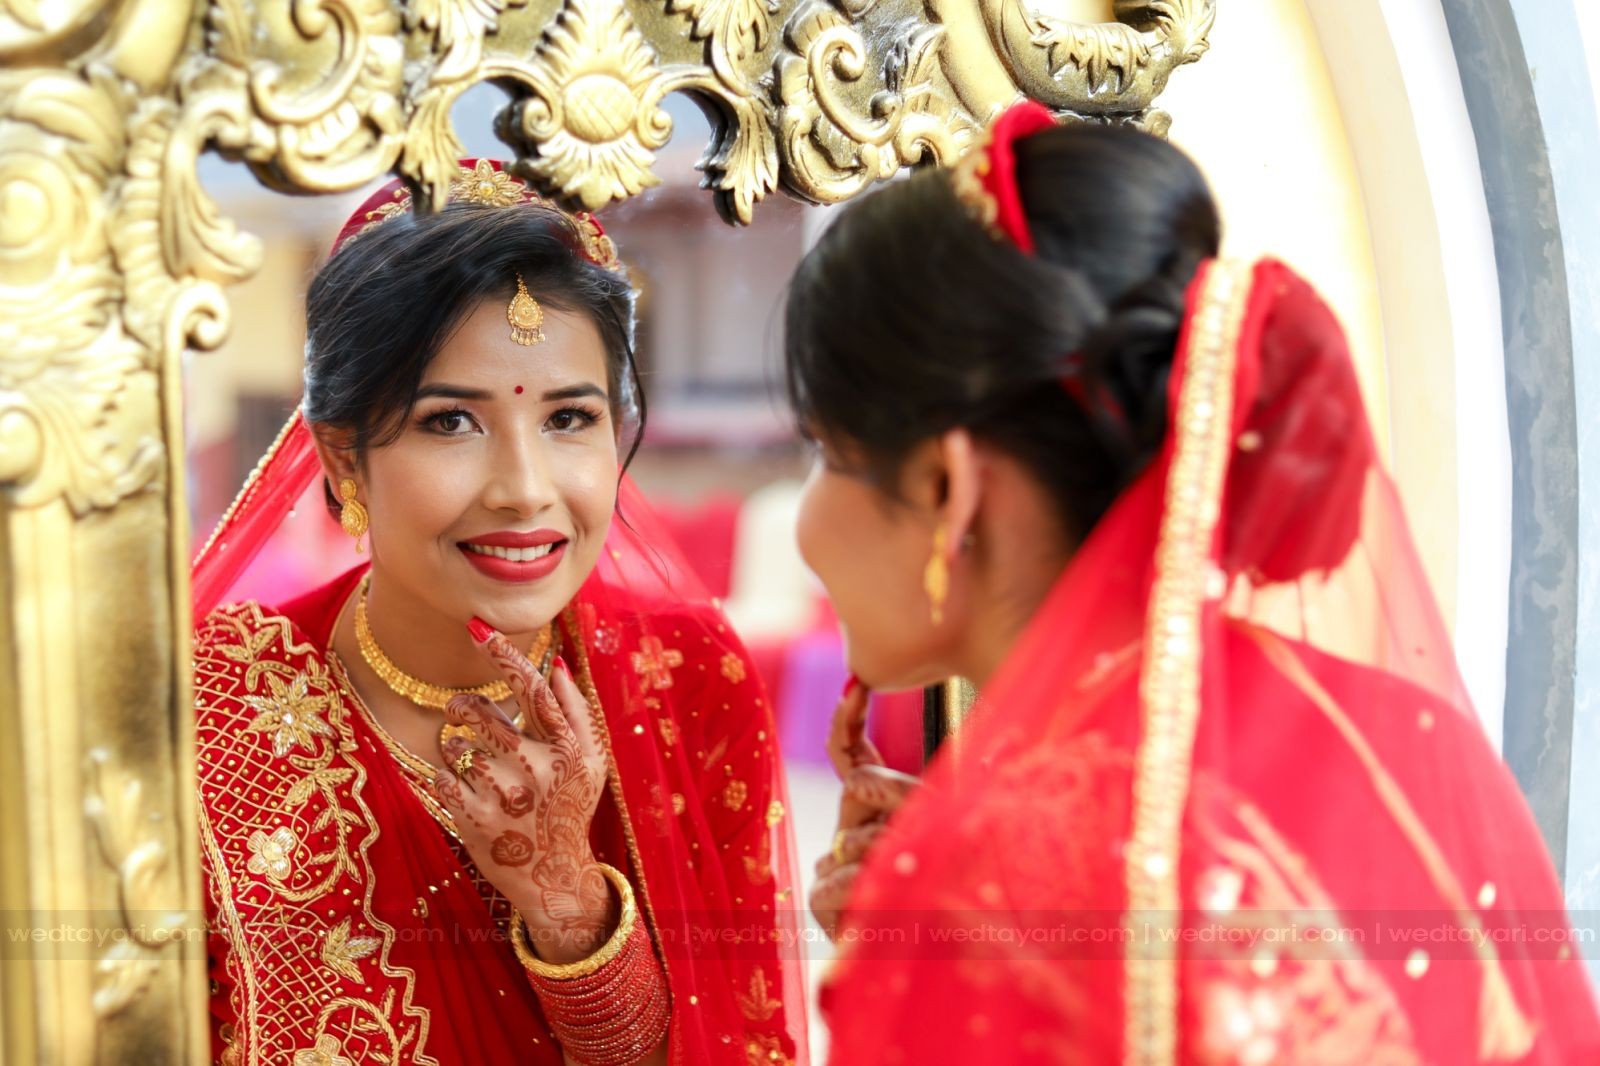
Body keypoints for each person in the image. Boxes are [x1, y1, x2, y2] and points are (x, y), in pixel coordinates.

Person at [785, 103, 1600, 1063]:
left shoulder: (980, 892)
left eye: (826, 452)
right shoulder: (1403, 736)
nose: (805, 526)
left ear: (945, 489)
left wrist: (926, 945)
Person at [192, 160, 806, 1066]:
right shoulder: (212, 708)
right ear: (346, 460)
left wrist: (567, 904)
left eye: (568, 419)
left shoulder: (685, 678)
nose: (525, 490)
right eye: (451, 422)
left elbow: (742, 1043)